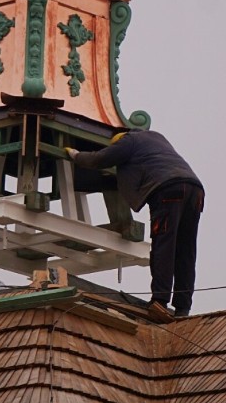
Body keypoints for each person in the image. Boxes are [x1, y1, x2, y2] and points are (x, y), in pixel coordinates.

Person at [65, 130, 205, 317]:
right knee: (185, 250)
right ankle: (183, 307)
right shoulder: (156, 138)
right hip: (195, 191)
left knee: (164, 245)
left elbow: (99, 159)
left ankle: (160, 301)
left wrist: (76, 155)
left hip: (167, 191)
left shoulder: (127, 141)